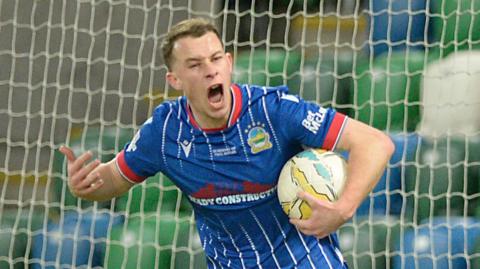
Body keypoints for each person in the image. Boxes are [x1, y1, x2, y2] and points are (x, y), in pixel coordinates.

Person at [59, 18, 394, 268]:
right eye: (195, 64)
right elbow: (113, 179)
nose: (210, 70)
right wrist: (85, 185)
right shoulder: (164, 131)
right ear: (175, 80)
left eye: (216, 59)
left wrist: (342, 208)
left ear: (229, 63)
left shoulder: (273, 110)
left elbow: (375, 143)